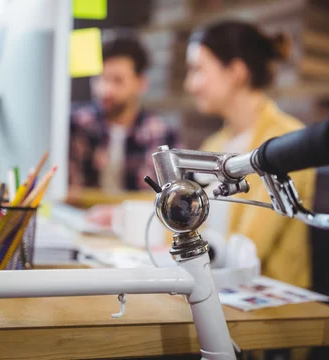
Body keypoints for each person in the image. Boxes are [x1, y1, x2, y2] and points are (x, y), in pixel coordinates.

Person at [184, 20, 315, 289]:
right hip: (215, 285)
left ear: (236, 72)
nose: (190, 84)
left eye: (198, 70)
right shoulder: (215, 142)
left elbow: (248, 247)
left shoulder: (288, 144)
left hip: (263, 301)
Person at [69, 33, 180, 195]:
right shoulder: (76, 125)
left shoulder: (161, 133)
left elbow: (171, 198)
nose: (105, 90)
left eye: (117, 80)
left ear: (141, 83)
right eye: (100, 78)